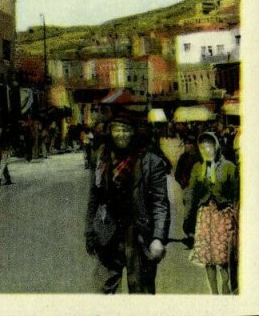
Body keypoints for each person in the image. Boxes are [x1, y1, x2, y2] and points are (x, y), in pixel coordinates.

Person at [85, 110, 170, 294]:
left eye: (126, 130)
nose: (121, 135)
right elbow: (94, 197)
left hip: (138, 236)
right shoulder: (102, 158)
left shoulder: (150, 161)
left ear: (134, 132)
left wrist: (158, 237)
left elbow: (160, 203)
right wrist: (89, 230)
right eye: (117, 130)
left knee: (140, 293)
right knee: (101, 290)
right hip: (109, 234)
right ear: (110, 131)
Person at [183, 131, 239, 294]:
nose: (206, 150)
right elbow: (191, 194)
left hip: (223, 216)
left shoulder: (229, 167)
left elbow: (236, 195)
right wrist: (188, 220)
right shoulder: (198, 167)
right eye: (202, 147)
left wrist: (236, 216)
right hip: (205, 217)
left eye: (209, 146)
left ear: (216, 146)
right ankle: (214, 292)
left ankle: (226, 285)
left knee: (223, 256)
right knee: (208, 257)